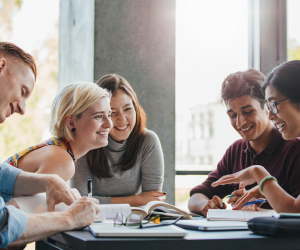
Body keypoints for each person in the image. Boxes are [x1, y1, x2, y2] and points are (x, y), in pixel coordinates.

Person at [0, 42, 100, 248]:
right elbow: (3, 227)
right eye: (23, 90)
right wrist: (70, 218)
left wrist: (47, 181)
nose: (22, 109)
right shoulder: (62, 159)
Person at [188, 68, 300, 216]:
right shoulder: (236, 150)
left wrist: (259, 176)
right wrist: (206, 205)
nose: (240, 122)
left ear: (264, 107)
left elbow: (295, 212)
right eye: (233, 115)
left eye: (248, 112)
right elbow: (198, 194)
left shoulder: (294, 148)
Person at [71, 74, 165, 206]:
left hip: (135, 220)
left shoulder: (148, 141)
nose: (122, 119)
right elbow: (78, 200)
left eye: (128, 109)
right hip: (96, 219)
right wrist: (136, 199)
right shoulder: (86, 141)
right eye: (112, 112)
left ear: (136, 108)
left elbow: (152, 200)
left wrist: (100, 201)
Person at [4, 82, 113, 181]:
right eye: (98, 116)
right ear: (71, 123)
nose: (109, 124)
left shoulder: (58, 150)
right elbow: (17, 203)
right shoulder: (62, 161)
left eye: (109, 115)